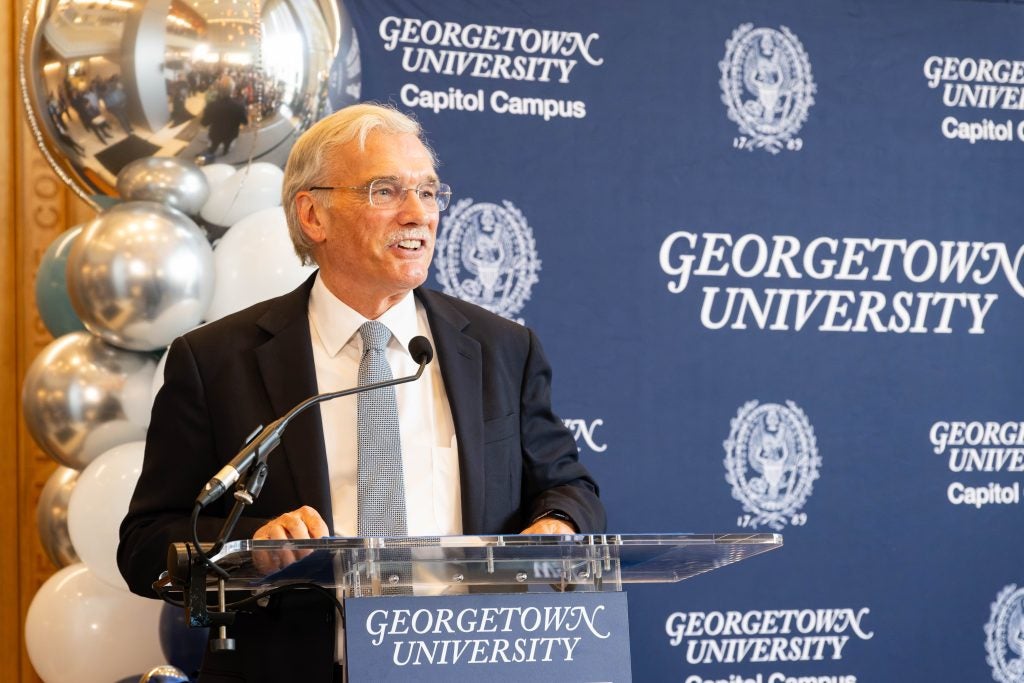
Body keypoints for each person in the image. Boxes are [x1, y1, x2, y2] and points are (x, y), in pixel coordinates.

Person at [118, 102, 604, 681]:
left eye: (428, 192)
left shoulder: (502, 349)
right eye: (385, 191)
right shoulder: (216, 362)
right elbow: (147, 547)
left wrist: (559, 525)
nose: (417, 214)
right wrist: (251, 547)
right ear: (313, 215)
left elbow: (568, 487)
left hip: (475, 665)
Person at [200, 83, 248, 157]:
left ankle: (212, 151)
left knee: (214, 145)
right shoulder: (239, 106)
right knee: (227, 144)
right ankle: (225, 151)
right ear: (232, 91)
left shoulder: (211, 105)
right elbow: (245, 122)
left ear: (219, 91)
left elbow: (204, 123)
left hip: (215, 134)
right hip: (231, 134)